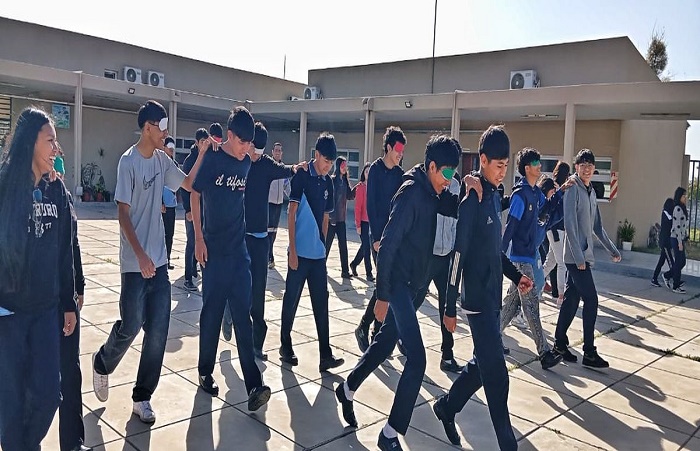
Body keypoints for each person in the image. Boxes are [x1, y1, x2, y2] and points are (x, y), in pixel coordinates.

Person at [334, 135, 461, 450]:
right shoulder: (411, 193)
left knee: (384, 343)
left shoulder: (438, 192)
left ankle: (347, 389)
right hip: (399, 284)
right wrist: (381, 295)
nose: (449, 180)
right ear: (432, 167)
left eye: (454, 174)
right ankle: (389, 434)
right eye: (447, 173)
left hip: (416, 285)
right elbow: (388, 245)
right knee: (417, 359)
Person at [91, 100, 207, 423]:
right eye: (162, 127)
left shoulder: (162, 161)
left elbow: (188, 184)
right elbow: (122, 213)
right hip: (134, 264)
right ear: (147, 128)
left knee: (157, 331)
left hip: (159, 264)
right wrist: (140, 255)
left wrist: (202, 154)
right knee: (130, 325)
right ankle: (102, 362)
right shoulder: (128, 162)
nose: (166, 133)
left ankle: (142, 397)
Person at [432, 125, 531, 451]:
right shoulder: (472, 199)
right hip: (475, 301)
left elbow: (493, 250)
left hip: (492, 297)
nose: (503, 172)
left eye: (507, 166)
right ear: (483, 160)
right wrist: (449, 308)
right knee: (498, 377)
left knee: (481, 366)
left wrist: (515, 276)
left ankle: (447, 407)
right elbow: (458, 256)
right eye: (498, 165)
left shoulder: (494, 196)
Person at [0, 107, 77, 450]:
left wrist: (69, 301)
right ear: (30, 142)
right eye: (50, 140)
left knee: (48, 396)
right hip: (8, 314)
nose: (56, 148)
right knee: (11, 401)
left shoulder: (56, 190)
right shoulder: (4, 186)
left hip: (46, 311)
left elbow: (65, 250)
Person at [190, 106, 272, 410]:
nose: (244, 149)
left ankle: (254, 385)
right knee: (211, 315)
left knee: (242, 317)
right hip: (213, 252)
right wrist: (198, 238)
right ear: (229, 135)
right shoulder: (213, 158)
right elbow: (194, 193)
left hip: (239, 253)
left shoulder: (246, 162)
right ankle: (205, 371)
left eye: (249, 144)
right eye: (241, 142)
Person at [221, 121, 305, 358]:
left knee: (258, 292)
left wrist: (297, 168)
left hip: (260, 239)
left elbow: (285, 169)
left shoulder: (266, 164)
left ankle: (256, 343)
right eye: (252, 149)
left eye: (259, 151)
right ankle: (228, 310)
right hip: (239, 237)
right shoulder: (238, 163)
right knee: (238, 286)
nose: (255, 155)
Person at [279, 132, 345, 371]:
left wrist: (323, 249)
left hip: (317, 256)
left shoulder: (328, 183)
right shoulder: (302, 175)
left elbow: (326, 218)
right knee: (291, 300)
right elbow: (291, 213)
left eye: (331, 163)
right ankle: (285, 344)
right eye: (325, 161)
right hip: (299, 253)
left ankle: (325, 354)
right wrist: (292, 250)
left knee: (321, 303)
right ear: (316, 155)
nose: (328, 167)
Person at [553, 149, 621, 368]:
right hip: (576, 258)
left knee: (572, 299)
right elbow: (569, 224)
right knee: (591, 299)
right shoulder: (573, 187)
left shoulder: (591, 191)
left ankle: (559, 344)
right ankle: (589, 352)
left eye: (590, 165)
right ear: (576, 167)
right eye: (583, 165)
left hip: (584, 256)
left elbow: (597, 227)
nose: (587, 169)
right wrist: (578, 256)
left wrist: (612, 249)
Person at [499, 148, 565, 370]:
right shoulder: (520, 196)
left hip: (529, 254)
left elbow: (544, 212)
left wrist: (560, 192)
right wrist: (499, 255)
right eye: (536, 163)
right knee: (531, 306)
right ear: (527, 168)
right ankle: (544, 353)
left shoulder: (536, 193)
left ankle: (491, 338)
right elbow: (510, 227)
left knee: (511, 304)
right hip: (520, 258)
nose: (540, 166)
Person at [354, 126, 406, 352]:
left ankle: (373, 329)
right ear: (388, 148)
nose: (400, 154)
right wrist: (376, 237)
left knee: (388, 284)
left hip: (394, 237)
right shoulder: (375, 170)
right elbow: (372, 205)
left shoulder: (399, 174)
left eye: (402, 151)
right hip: (378, 237)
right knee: (384, 283)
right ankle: (370, 329)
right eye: (398, 150)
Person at [54, 152, 91, 451]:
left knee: (71, 371)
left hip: (66, 300)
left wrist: (79, 286)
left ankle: (73, 442)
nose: (58, 177)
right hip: (40, 301)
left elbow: (72, 246)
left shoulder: (64, 199)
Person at [412, 169, 464, 374]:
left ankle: (447, 355)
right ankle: (390, 333)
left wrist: (454, 247)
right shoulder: (432, 182)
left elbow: (455, 221)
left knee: (446, 305)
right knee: (415, 300)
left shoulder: (456, 185)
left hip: (446, 256)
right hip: (428, 255)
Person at [181, 128, 210, 291]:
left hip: (203, 208)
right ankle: (187, 278)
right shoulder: (190, 161)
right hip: (192, 209)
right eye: (202, 142)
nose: (204, 145)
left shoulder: (206, 158)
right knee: (191, 242)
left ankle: (194, 269)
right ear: (196, 143)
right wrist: (188, 209)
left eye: (206, 141)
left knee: (202, 240)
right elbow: (185, 187)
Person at [542, 161, 571, 306]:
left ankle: (536, 286)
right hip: (555, 230)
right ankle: (561, 295)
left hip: (556, 230)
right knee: (561, 263)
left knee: (550, 262)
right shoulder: (557, 188)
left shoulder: (558, 187)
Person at [325, 156, 355, 278]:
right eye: (342, 165)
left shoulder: (345, 181)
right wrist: (331, 217)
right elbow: (330, 200)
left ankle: (345, 271)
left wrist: (356, 189)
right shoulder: (333, 181)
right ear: (338, 166)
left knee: (343, 245)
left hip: (341, 219)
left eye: (346, 166)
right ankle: (321, 267)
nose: (344, 168)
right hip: (333, 219)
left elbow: (349, 196)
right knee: (327, 244)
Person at [268, 142, 290, 268]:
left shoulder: (283, 169)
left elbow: (286, 186)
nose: (277, 152)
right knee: (268, 230)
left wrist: (293, 198)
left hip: (278, 203)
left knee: (274, 231)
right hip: (269, 203)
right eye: (276, 150)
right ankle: (269, 256)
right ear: (272, 152)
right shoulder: (269, 166)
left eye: (279, 150)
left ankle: (269, 254)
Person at [350, 162, 373, 281]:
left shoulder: (374, 187)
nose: (368, 173)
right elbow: (357, 208)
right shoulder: (360, 187)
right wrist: (358, 224)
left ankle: (354, 264)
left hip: (371, 221)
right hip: (363, 222)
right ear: (363, 173)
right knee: (367, 248)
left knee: (365, 246)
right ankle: (369, 273)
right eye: (366, 171)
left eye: (370, 171)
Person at [667, 187, 689, 293]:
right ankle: (676, 285)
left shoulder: (683, 208)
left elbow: (683, 225)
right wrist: (680, 242)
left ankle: (668, 275)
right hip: (676, 238)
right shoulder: (677, 209)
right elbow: (677, 227)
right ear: (679, 197)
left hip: (680, 238)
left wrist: (686, 236)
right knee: (679, 261)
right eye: (683, 196)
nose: (685, 198)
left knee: (682, 261)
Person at [162, 136, 177, 270]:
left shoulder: (174, 165)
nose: (171, 150)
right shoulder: (159, 164)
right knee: (161, 234)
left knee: (170, 234)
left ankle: (167, 259)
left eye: (173, 148)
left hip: (171, 204)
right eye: (169, 148)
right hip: (162, 206)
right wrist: (160, 202)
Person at [652, 197, 675, 288]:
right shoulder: (665, 213)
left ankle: (654, 278)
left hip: (667, 242)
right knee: (671, 263)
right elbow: (670, 220)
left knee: (661, 261)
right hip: (665, 242)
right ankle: (670, 277)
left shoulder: (669, 214)